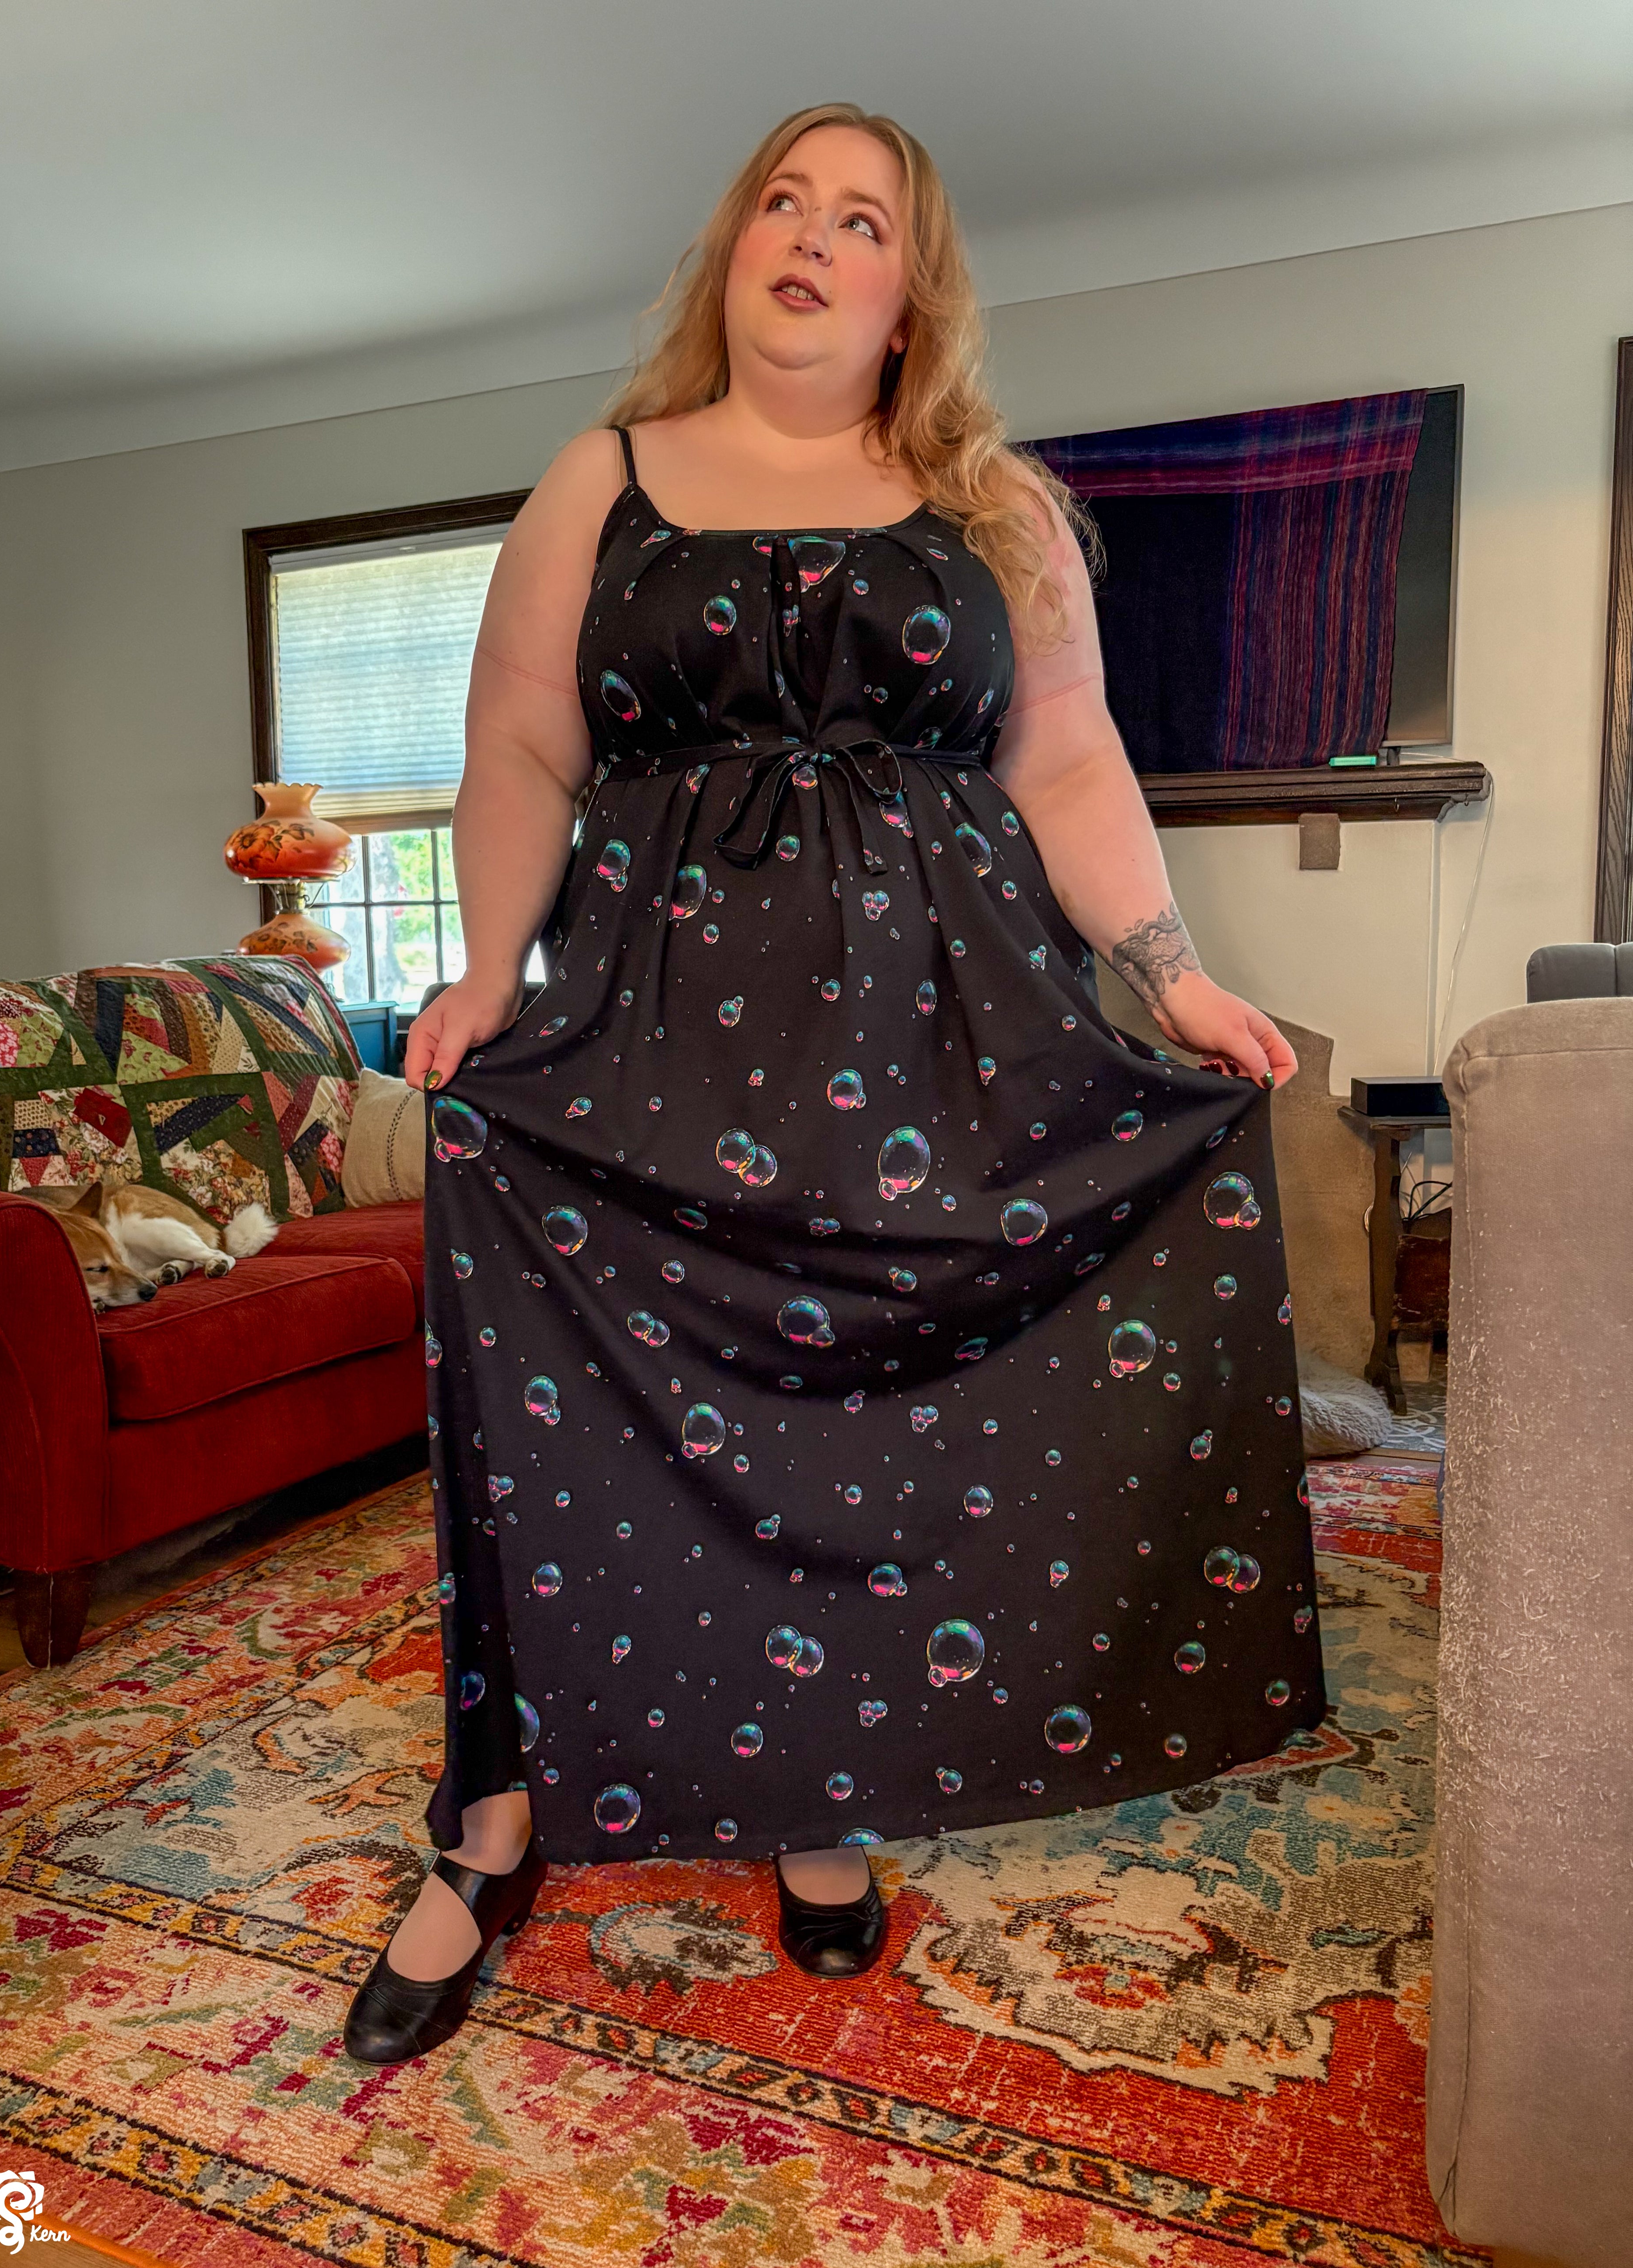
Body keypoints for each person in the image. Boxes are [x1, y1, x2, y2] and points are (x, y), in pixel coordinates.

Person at [343, 101, 1321, 2067]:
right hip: (646, 1048)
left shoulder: (994, 504)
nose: (808, 235)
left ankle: (819, 1786)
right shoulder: (601, 478)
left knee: (875, 1435)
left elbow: (1066, 760)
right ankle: (496, 1820)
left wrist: (1177, 976)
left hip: (937, 1051)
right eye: (780, 203)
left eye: (859, 218)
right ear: (733, 252)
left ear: (908, 292)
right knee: (552, 1420)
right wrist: (478, 972)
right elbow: (521, 741)